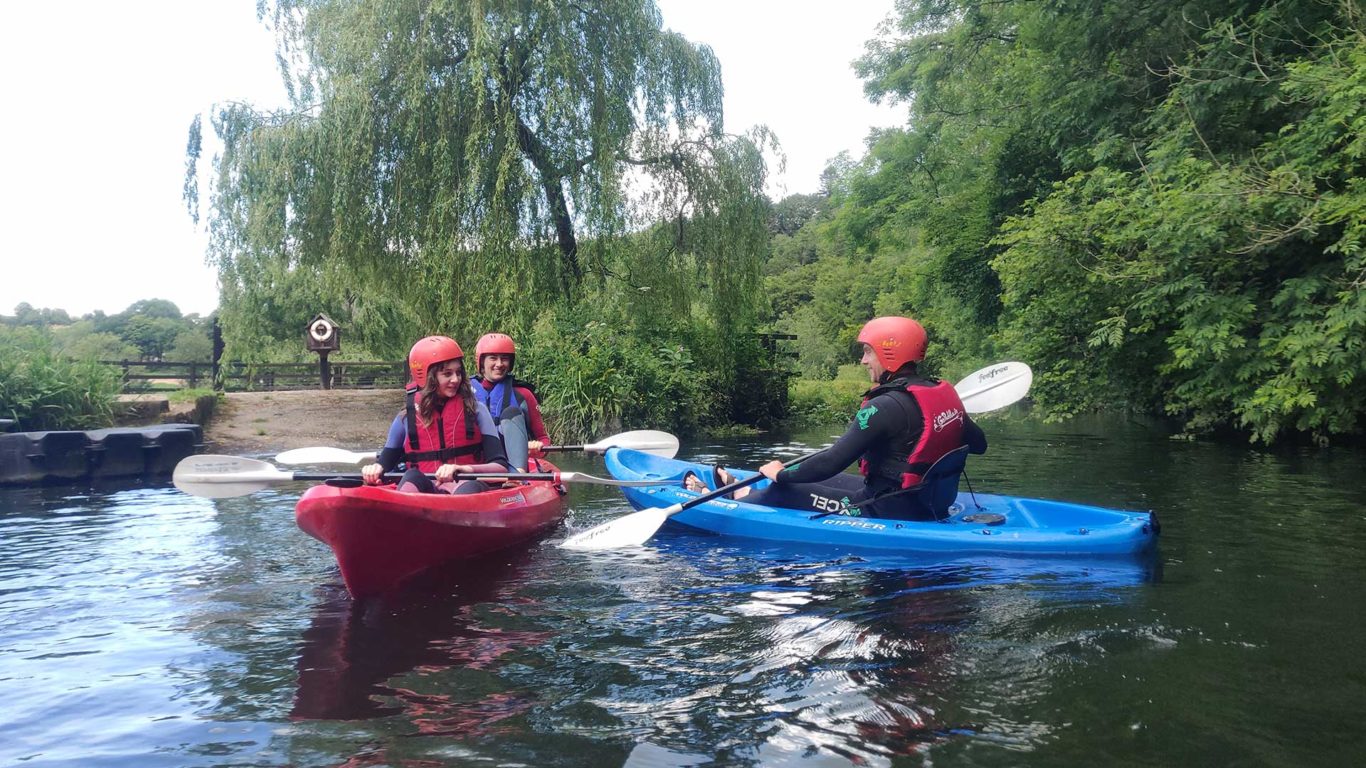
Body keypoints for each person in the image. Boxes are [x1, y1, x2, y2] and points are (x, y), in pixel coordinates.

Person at [697, 316, 986, 520]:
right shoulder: (941, 396)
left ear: (889, 353)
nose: (863, 361)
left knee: (782, 490)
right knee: (834, 479)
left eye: (867, 351)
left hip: (890, 510)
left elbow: (829, 461)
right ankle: (744, 492)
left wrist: (780, 473)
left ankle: (734, 501)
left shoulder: (883, 406)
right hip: (928, 501)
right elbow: (979, 444)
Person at [360, 335, 515, 494]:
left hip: (464, 486)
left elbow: (500, 467)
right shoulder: (406, 417)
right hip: (424, 490)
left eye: (458, 373)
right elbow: (385, 463)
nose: (456, 379)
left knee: (469, 485)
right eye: (447, 374)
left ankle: (457, 513)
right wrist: (375, 468)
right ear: (428, 377)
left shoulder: (476, 410)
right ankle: (407, 512)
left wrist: (462, 469)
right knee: (412, 476)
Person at [470, 332, 551, 470]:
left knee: (511, 412)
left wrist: (538, 447)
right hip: (477, 467)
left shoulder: (523, 394)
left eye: (505, 358)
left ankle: (517, 476)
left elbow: (544, 438)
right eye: (493, 358)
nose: (499, 364)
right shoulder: (464, 393)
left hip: (513, 466)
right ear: (482, 361)